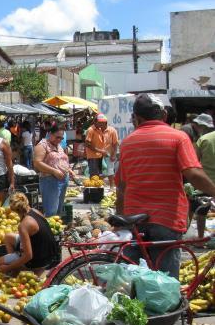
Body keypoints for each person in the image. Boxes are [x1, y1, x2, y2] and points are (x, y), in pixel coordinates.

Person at [117, 94, 215, 279]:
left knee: (136, 276)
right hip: (167, 218)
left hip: (135, 219)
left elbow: (122, 186)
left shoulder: (127, 143)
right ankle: (168, 308)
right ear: (163, 115)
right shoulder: (178, 137)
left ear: (136, 118)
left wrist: (121, 219)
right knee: (166, 280)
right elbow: (193, 174)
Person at [0, 193, 59, 275]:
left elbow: (28, 256)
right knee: (8, 237)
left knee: (0, 262)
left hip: (39, 260)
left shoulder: (23, 226)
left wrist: (8, 267)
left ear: (14, 210)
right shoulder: (35, 211)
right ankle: (15, 269)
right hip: (50, 253)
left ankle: (19, 269)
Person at [35, 124, 75, 218]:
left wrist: (69, 170)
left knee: (58, 210)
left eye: (61, 138)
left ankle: (56, 231)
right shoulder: (42, 145)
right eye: (57, 137)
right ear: (49, 134)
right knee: (51, 211)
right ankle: (50, 231)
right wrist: (54, 171)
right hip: (50, 180)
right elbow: (37, 163)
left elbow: (62, 161)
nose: (59, 140)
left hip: (63, 180)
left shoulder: (59, 146)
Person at [194, 114, 215, 238]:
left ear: (202, 126)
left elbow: (195, 161)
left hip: (207, 181)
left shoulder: (203, 139)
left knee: (202, 211)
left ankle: (201, 237)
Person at [86, 114, 117, 180]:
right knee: (94, 175)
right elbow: (87, 144)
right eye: (99, 122)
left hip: (101, 156)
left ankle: (99, 188)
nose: (100, 124)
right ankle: (93, 189)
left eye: (102, 123)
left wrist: (112, 154)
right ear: (95, 122)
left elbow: (114, 143)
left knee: (101, 174)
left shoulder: (99, 129)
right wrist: (100, 151)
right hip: (93, 156)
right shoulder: (91, 130)